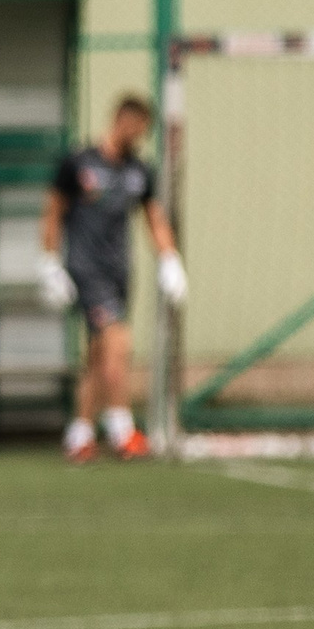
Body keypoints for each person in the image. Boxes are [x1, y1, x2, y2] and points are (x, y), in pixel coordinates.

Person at [41, 93, 187, 463]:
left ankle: (80, 434)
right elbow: (53, 213)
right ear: (119, 120)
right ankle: (123, 431)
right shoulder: (78, 163)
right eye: (134, 127)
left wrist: (169, 258)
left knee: (98, 355)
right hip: (86, 271)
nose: (137, 136)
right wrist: (49, 262)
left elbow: (154, 218)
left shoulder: (139, 172)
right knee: (118, 344)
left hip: (119, 272)